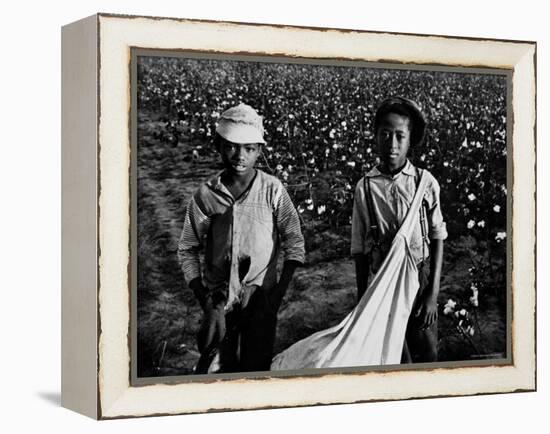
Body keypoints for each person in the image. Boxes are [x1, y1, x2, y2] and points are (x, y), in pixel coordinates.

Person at [177, 103, 305, 373]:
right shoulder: (206, 195)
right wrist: (204, 297)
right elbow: (187, 248)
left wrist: (278, 295)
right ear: (218, 145)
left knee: (255, 365)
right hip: (219, 301)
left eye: (249, 148)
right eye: (231, 146)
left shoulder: (272, 190)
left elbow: (294, 240)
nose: (239, 156)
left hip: (260, 299)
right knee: (219, 367)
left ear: (259, 151)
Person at [351, 97, 447, 363]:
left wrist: (432, 294)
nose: (392, 144)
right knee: (392, 352)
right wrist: (362, 298)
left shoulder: (424, 182)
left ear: (409, 139)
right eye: (385, 134)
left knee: (427, 350)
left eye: (399, 136)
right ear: (376, 137)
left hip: (419, 277)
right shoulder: (365, 187)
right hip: (382, 280)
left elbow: (438, 236)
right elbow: (359, 248)